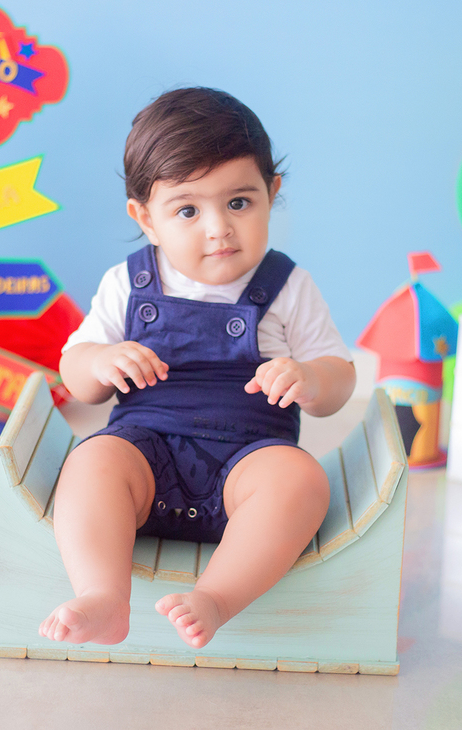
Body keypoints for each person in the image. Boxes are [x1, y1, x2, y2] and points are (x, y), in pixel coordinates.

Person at [39, 87, 356, 649]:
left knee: (302, 480)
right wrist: (101, 360)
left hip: (248, 465)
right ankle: (103, 596)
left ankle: (216, 597)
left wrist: (311, 378)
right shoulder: (127, 283)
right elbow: (77, 380)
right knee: (91, 461)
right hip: (145, 455)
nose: (219, 228)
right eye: (188, 210)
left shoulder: (287, 286)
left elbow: (339, 377)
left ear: (272, 192)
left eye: (239, 203)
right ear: (146, 218)